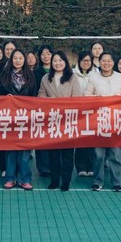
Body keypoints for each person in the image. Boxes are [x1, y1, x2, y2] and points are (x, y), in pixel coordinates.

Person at [85, 52, 121, 192]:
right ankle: (97, 181)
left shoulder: (120, 77)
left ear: (113, 62)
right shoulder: (93, 77)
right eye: (103, 61)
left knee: (115, 154)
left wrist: (117, 98)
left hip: (116, 120)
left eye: (109, 61)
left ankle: (117, 182)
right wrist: (98, 98)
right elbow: (86, 96)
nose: (106, 63)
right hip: (98, 120)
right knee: (98, 155)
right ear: (99, 62)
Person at [38, 51, 83, 191]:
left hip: (68, 120)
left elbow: (77, 98)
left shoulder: (72, 78)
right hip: (52, 120)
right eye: (55, 61)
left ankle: (66, 181)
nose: (58, 63)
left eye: (60, 60)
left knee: (68, 154)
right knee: (53, 154)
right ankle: (54, 180)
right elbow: (40, 95)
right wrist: (50, 101)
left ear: (65, 62)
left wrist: (63, 104)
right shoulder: (46, 78)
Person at [0, 49, 36, 191]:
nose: (18, 60)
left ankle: (25, 179)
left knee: (25, 151)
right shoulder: (4, 76)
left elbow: (34, 96)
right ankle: (10, 178)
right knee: (10, 150)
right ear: (11, 60)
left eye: (20, 58)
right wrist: (5, 97)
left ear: (24, 60)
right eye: (15, 58)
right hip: (8, 118)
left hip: (25, 117)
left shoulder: (30, 75)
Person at [72, 51, 95, 177]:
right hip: (78, 111)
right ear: (79, 61)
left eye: (88, 60)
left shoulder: (96, 74)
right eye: (84, 60)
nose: (86, 63)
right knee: (80, 140)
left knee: (91, 140)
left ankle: (91, 166)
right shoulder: (72, 74)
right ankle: (80, 167)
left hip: (93, 111)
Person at [33, 45, 54, 177]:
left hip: (57, 111)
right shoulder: (35, 72)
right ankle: (43, 167)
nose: (46, 56)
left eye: (48, 53)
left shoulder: (59, 70)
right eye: (43, 54)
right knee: (41, 137)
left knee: (54, 137)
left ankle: (54, 165)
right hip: (40, 109)